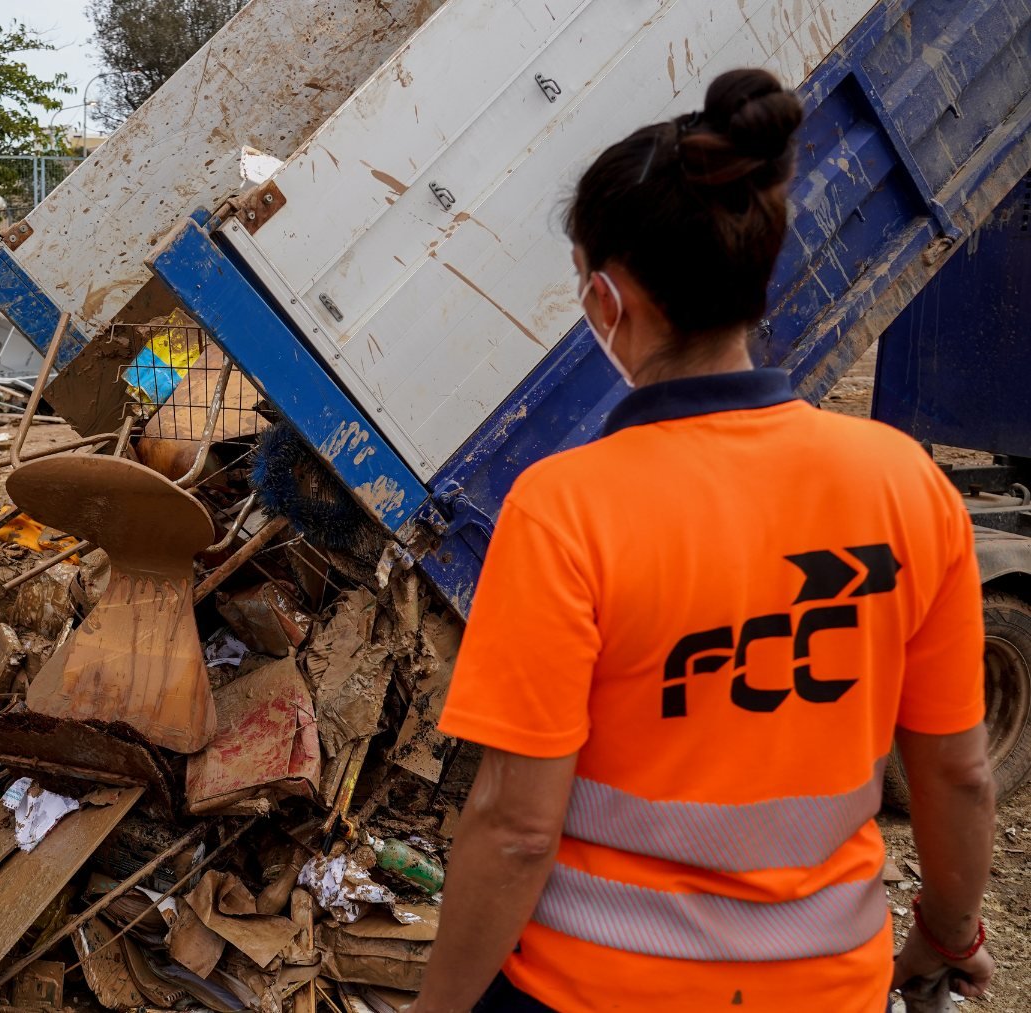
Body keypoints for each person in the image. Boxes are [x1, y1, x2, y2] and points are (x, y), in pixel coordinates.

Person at [415, 68, 996, 1012]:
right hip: (826, 990)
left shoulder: (564, 509)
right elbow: (957, 771)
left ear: (609, 301)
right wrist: (948, 932)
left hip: (591, 990)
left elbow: (516, 828)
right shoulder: (907, 486)